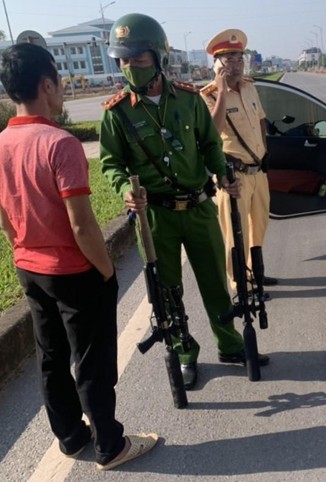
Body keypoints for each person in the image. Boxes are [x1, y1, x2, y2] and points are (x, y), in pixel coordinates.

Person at [0, 42, 157, 471]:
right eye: (59, 79)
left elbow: (5, 218)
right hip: (72, 271)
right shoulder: (60, 143)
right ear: (46, 84)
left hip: (28, 267)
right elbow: (83, 226)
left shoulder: (2, 143)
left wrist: (22, 249)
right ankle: (111, 445)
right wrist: (105, 271)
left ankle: (70, 437)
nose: (63, 87)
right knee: (92, 362)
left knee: (50, 356)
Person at [99, 13, 269, 390]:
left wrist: (224, 174)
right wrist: (123, 188)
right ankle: (185, 352)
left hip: (198, 208)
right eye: (123, 60)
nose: (130, 67)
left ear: (158, 57)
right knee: (168, 292)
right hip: (155, 217)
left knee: (215, 281)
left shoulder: (189, 100)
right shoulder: (117, 112)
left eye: (138, 59)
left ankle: (230, 344)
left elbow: (210, 144)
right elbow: (111, 163)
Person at [200, 28, 278, 291]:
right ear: (217, 64)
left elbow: (261, 120)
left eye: (238, 58)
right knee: (236, 232)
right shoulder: (208, 95)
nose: (235, 64)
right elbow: (212, 131)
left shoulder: (249, 87)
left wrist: (265, 152)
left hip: (257, 172)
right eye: (228, 58)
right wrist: (222, 92)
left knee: (259, 226)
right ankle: (239, 282)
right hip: (233, 176)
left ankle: (256, 272)